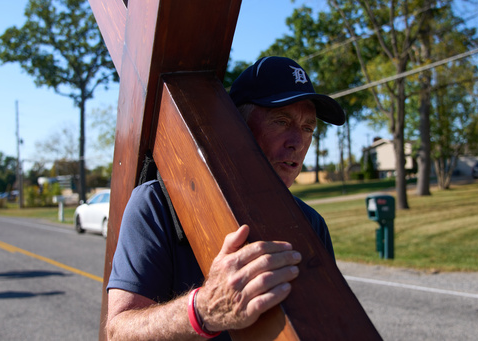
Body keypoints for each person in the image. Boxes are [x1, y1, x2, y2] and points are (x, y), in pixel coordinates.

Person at [106, 56, 345, 340]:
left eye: (308, 128)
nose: (298, 141)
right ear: (236, 129)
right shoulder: (156, 205)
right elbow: (118, 332)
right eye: (281, 121)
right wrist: (204, 310)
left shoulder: (311, 224)